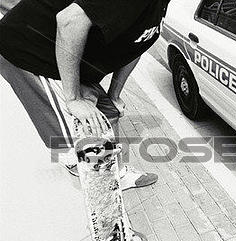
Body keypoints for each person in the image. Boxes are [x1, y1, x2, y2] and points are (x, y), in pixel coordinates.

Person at [0, 0, 169, 190]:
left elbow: (138, 43)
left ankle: (117, 175)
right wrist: (73, 99)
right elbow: (69, 21)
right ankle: (90, 174)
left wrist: (114, 94)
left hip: (69, 53)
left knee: (108, 113)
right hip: (31, 51)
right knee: (80, 132)